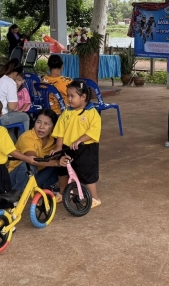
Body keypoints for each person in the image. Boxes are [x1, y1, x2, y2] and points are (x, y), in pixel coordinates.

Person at [53, 80, 102, 209]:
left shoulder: (91, 112)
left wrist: (80, 140)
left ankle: (94, 198)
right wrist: (58, 146)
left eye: (72, 96)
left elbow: (94, 131)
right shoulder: (67, 112)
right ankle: (63, 193)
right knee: (62, 170)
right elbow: (60, 130)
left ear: (83, 97)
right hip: (67, 147)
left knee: (86, 173)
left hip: (86, 148)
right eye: (67, 96)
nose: (69, 99)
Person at [7, 110, 68, 192]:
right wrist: (57, 163)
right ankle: (17, 192)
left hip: (35, 176)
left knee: (63, 162)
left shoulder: (54, 139)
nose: (41, 126)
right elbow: (33, 159)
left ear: (53, 127)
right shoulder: (27, 137)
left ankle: (42, 188)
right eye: (38, 122)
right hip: (15, 178)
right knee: (29, 165)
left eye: (46, 124)